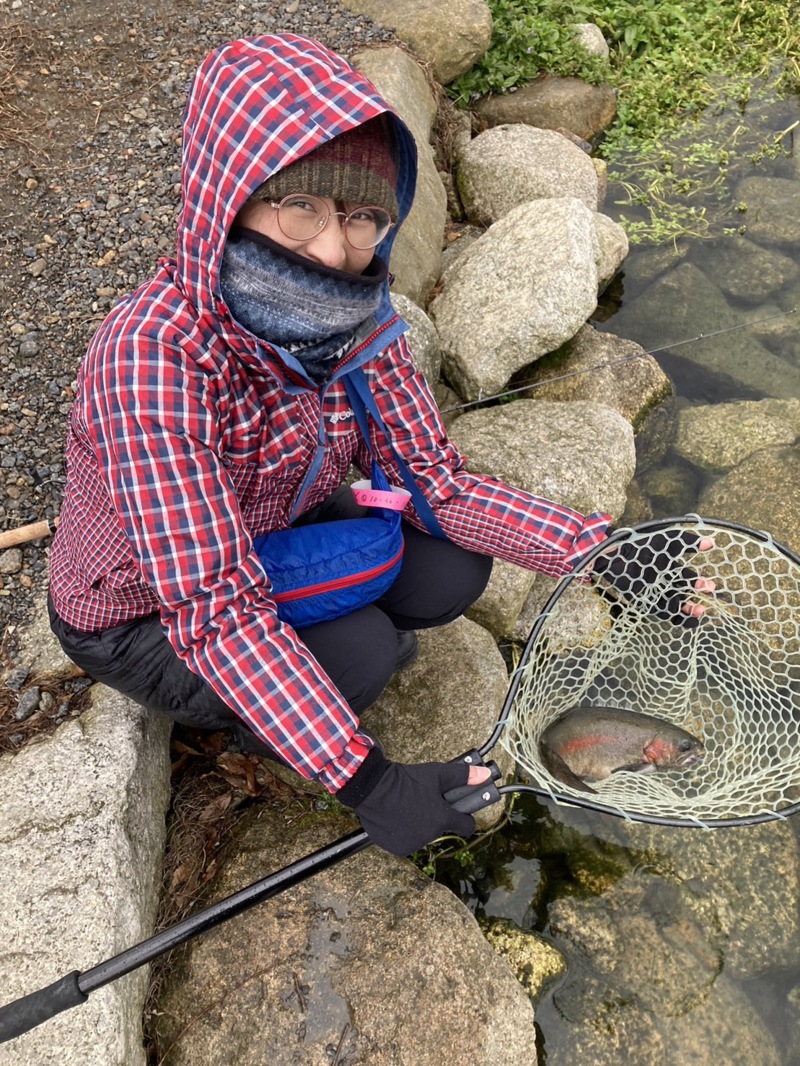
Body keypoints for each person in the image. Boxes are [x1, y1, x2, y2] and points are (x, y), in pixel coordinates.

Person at [47, 34, 711, 858]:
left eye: (362, 216)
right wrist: (370, 781)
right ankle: (271, 730)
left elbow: (437, 481)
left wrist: (600, 553)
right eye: (301, 207)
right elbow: (216, 611)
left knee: (450, 566)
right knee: (361, 654)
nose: (335, 249)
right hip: (144, 608)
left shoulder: (360, 320)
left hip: (267, 518)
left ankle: (316, 652)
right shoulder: (152, 361)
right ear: (226, 199)